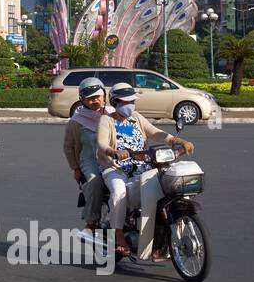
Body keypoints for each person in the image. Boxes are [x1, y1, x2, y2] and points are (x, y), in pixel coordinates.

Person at [96, 82, 194, 260]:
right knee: (119, 193)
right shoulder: (107, 120)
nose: (130, 105)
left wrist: (178, 141)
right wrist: (114, 152)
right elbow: (102, 143)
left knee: (167, 188)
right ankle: (118, 236)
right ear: (115, 102)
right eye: (126, 102)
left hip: (143, 167)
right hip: (116, 169)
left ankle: (161, 239)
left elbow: (156, 133)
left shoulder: (137, 118)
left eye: (132, 101)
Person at [63, 78, 109, 234]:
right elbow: (68, 147)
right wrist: (75, 169)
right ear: (82, 100)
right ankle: (91, 221)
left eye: (98, 96)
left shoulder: (113, 115)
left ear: (104, 96)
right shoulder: (76, 121)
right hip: (90, 160)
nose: (95, 100)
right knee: (95, 182)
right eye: (90, 98)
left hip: (113, 160)